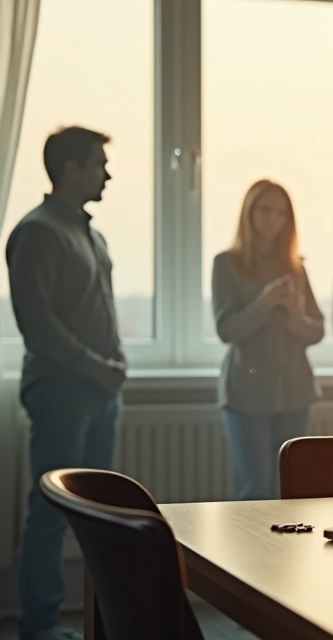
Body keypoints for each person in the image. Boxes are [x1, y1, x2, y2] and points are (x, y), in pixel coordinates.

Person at [6, 126, 124, 640]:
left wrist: (113, 365)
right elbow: (39, 327)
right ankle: (39, 624)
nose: (108, 173)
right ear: (71, 170)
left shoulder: (92, 235)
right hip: (60, 392)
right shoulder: (36, 234)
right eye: (99, 163)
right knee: (52, 510)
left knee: (100, 513)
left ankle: (98, 615)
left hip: (100, 394)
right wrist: (96, 365)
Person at [212, 179, 323, 501]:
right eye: (265, 210)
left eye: (280, 212)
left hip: (294, 390)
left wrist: (295, 316)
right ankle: (247, 552)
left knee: (289, 484)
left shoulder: (295, 267)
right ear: (249, 212)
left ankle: (283, 552)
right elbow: (226, 330)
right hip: (247, 391)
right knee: (255, 486)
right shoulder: (226, 263)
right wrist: (263, 304)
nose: (273, 218)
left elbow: (316, 331)